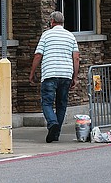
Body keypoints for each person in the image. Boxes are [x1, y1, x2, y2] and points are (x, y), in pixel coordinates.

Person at [29, 11, 80, 143]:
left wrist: (32, 72)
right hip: (66, 75)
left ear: (52, 22)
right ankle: (56, 134)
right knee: (61, 104)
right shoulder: (70, 36)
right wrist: (75, 77)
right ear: (62, 22)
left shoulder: (46, 35)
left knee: (46, 102)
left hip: (50, 74)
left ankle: (52, 123)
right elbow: (76, 58)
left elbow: (38, 55)